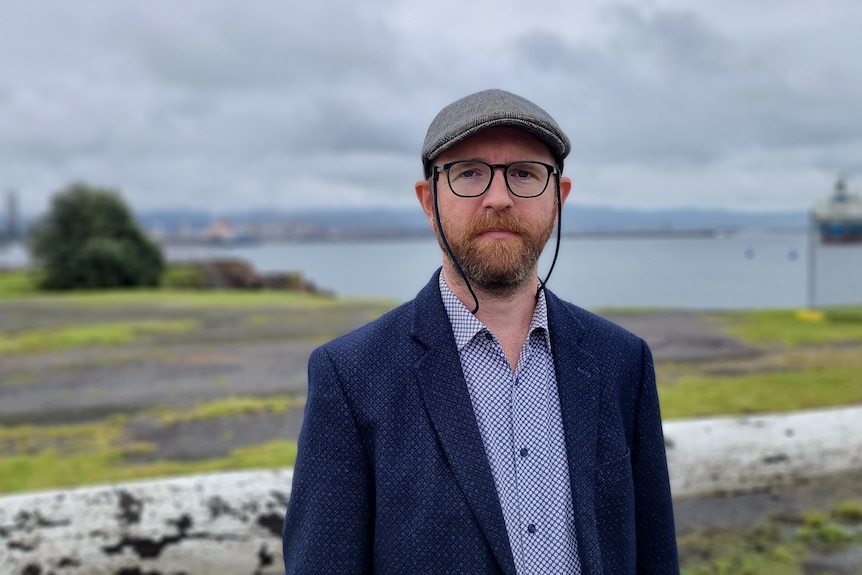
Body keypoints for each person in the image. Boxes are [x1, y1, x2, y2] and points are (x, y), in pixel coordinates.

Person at [282, 89, 679, 574]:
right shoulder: (352, 376)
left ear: (559, 197)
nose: (499, 198)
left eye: (524, 174)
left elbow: (654, 556)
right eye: (469, 172)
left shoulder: (621, 361)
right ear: (429, 201)